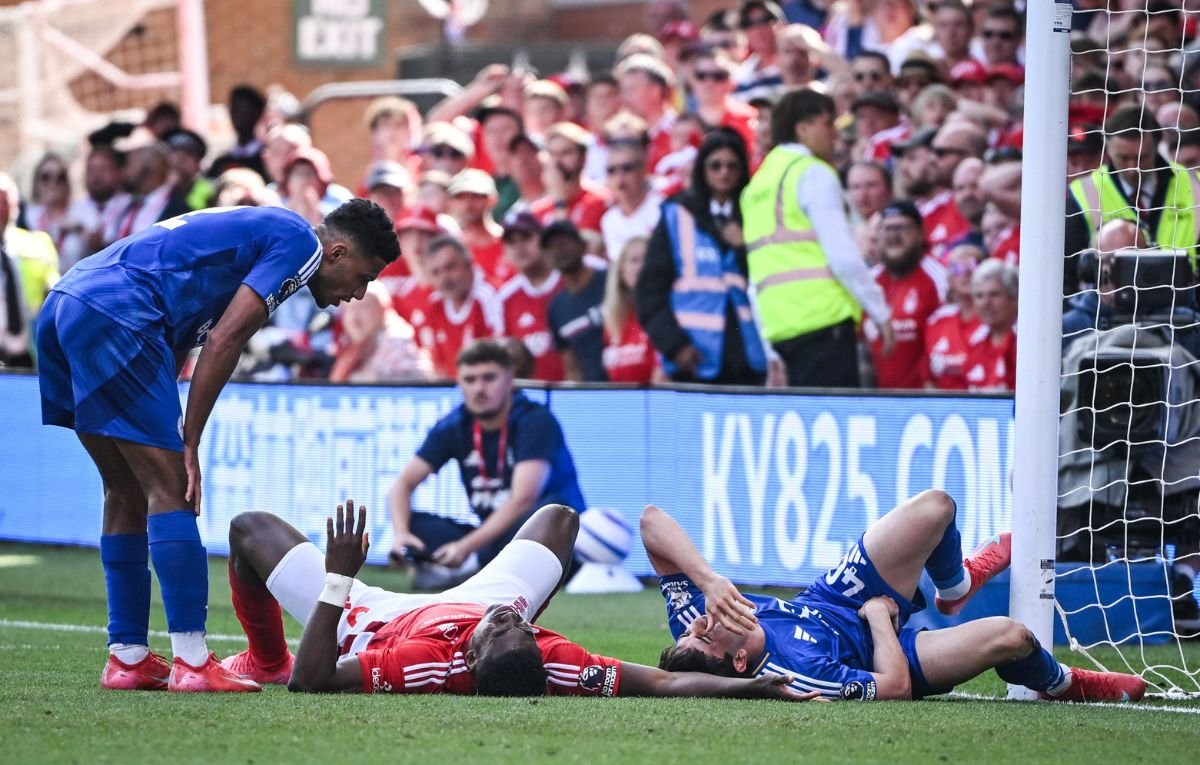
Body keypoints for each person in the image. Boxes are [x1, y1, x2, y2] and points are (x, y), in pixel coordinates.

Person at [35, 199, 399, 692]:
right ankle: (192, 661)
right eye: (365, 277)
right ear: (336, 252)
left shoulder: (266, 231)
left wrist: (176, 424)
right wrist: (190, 442)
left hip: (67, 300)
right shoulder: (300, 246)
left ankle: (127, 658)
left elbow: (186, 332)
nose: (358, 293)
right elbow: (226, 340)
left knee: (124, 489)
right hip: (119, 308)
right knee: (174, 488)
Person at [221, 500, 813, 702]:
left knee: (249, 529)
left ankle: (262, 656)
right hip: (477, 597)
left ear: (471, 661)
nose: (513, 623)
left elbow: (312, 682)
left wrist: (338, 580)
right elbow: (663, 683)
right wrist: (747, 685)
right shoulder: (551, 659)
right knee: (559, 520)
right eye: (522, 628)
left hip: (375, 616)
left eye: (503, 630)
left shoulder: (422, 662)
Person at [642, 491, 1147, 703]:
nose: (701, 623)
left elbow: (651, 521)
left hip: (829, 598)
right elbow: (894, 689)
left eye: (693, 627)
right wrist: (882, 621)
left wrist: (707, 580)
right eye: (706, 636)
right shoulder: (795, 672)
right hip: (889, 649)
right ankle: (1063, 685)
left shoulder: (698, 612)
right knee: (1011, 636)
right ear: (738, 664)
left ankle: (956, 588)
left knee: (935, 507)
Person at [388, 339, 586, 588]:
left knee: (549, 510)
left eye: (489, 378)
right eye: (469, 380)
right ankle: (473, 567)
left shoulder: (535, 420)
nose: (478, 389)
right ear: (459, 383)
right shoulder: (453, 425)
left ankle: (468, 570)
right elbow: (402, 485)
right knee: (414, 524)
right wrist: (402, 535)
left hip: (543, 534)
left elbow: (523, 499)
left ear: (509, 379)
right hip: (492, 535)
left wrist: (465, 547)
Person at [740, 88, 893, 388]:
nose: (834, 135)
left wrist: (771, 350)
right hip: (825, 321)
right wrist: (880, 312)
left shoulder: (756, 187)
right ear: (803, 128)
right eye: (827, 124)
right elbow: (842, 255)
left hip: (780, 326)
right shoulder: (812, 173)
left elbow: (757, 278)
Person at [637, 128, 769, 386]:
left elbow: (769, 279)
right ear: (703, 169)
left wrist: (744, 248)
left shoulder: (756, 214)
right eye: (715, 166)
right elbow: (649, 292)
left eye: (732, 166)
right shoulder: (677, 214)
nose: (724, 173)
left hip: (748, 355)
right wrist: (675, 346)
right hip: (695, 358)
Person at [865, 202, 947, 389]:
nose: (893, 236)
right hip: (878, 401)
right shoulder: (869, 284)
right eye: (886, 229)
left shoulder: (938, 279)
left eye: (901, 227)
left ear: (920, 233)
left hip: (926, 401)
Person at [411, 235, 502, 379]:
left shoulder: (489, 297)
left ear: (468, 264)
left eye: (450, 267)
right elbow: (436, 365)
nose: (444, 278)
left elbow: (501, 358)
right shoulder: (434, 305)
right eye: (436, 272)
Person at [497, 210, 565, 381]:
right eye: (511, 242)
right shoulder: (506, 297)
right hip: (534, 395)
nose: (519, 247)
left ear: (543, 239)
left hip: (584, 393)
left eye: (526, 238)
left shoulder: (569, 280)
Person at [0, 173, 59, 368]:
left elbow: (54, 291)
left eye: (5, 199)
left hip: (30, 351)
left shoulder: (38, 243)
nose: (1, 207)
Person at [545, 220, 609, 382]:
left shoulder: (611, 282)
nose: (558, 251)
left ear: (582, 246)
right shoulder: (556, 308)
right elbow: (572, 368)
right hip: (591, 394)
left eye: (563, 243)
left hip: (631, 386)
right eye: (550, 247)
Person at [601, 237, 659, 384]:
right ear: (621, 271)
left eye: (647, 259)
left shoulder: (663, 315)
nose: (641, 267)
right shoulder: (613, 320)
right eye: (634, 260)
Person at [963, 257, 1017, 391]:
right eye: (979, 296)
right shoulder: (973, 341)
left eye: (994, 294)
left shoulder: (1025, 342)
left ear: (1014, 297)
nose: (985, 303)